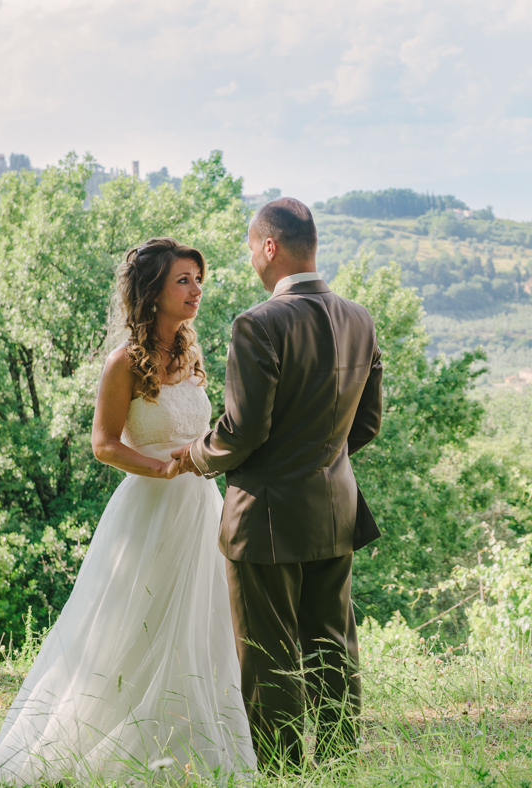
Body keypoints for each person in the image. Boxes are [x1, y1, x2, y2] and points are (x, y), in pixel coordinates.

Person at [0, 238, 255, 784]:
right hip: (149, 508)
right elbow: (104, 443)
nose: (196, 290)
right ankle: (100, 736)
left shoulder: (191, 352)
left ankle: (191, 742)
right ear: (153, 291)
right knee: (135, 623)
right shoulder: (123, 363)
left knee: (199, 623)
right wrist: (164, 470)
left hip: (200, 506)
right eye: (184, 280)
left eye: (199, 279)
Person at [172, 197, 383, 772]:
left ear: (270, 247)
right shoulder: (360, 318)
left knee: (269, 661)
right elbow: (366, 424)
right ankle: (339, 772)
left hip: (264, 516)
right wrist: (319, 464)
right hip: (335, 508)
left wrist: (192, 454)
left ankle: (285, 775)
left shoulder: (257, 323)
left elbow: (241, 433)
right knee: (332, 649)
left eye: (250, 250)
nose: (251, 262)